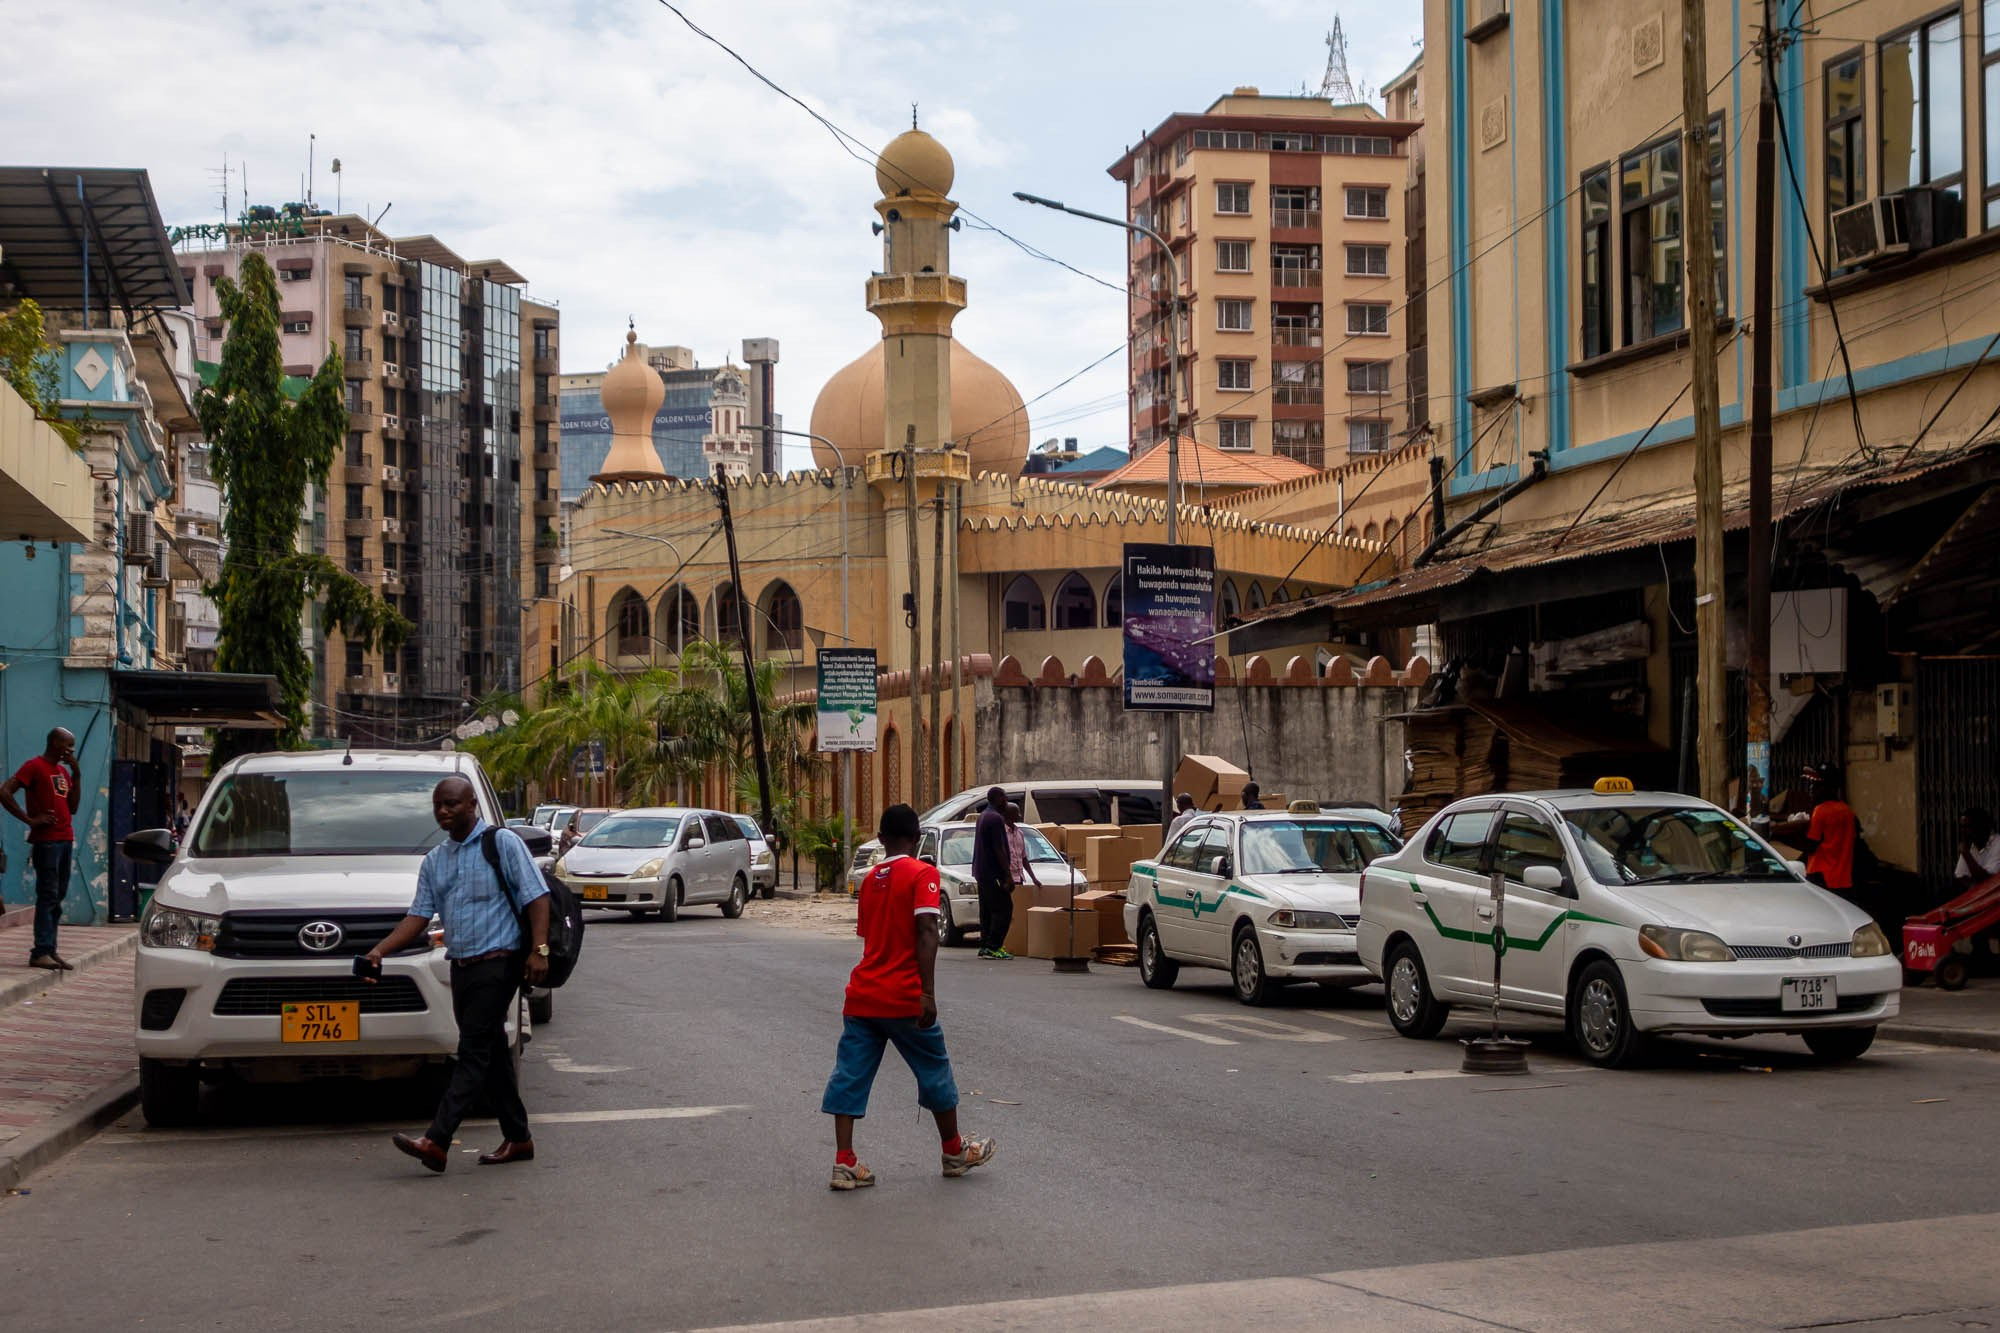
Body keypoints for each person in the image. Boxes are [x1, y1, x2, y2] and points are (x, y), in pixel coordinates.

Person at [364, 776, 550, 1173]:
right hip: (461, 968)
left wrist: (539, 950)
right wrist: (380, 950)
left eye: (451, 803)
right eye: (438, 806)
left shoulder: (502, 844)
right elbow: (418, 916)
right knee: (493, 1054)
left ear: (472, 805)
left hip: (499, 963)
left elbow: (537, 895)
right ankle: (519, 1138)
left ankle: (437, 1139)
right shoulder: (435, 861)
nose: (444, 811)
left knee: (473, 1052)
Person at [821, 803, 995, 1190]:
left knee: (850, 1074)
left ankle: (844, 1161)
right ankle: (953, 1149)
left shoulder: (868, 882)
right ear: (917, 838)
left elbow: (871, 938)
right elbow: (927, 930)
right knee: (934, 1068)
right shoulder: (923, 873)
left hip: (863, 995)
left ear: (881, 840)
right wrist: (927, 993)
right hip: (902, 996)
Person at [1, 727, 82, 970]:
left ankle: (50, 949)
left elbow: (74, 807)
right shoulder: (34, 766)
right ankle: (40, 951)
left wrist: (76, 774)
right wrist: (30, 820)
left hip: (65, 839)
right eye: (67, 745)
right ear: (55, 743)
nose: (70, 750)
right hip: (46, 841)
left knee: (57, 896)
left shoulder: (62, 772)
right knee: (48, 895)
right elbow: (5, 792)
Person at [1774, 763, 1858, 893]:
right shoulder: (1847, 811)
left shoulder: (1821, 811)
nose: (1811, 788)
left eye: (1817, 785)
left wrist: (1779, 836)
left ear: (1828, 788)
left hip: (1821, 875)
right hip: (1844, 879)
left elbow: (1811, 845)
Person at [971, 786, 1013, 960]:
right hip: (993, 873)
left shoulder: (983, 816)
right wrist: (1007, 875)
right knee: (1004, 909)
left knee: (987, 910)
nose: (1007, 801)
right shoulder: (995, 818)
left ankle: (985, 945)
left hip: (982, 872)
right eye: (1004, 797)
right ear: (997, 798)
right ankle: (994, 946)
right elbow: (998, 848)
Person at [1954, 807, 2000, 886]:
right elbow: (1960, 876)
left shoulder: (1997, 844)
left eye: (1967, 826)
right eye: (1962, 827)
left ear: (1980, 826)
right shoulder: (1971, 845)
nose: (1963, 831)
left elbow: (1988, 880)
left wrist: (1966, 854)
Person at [1003, 802, 1039, 896]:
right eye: (1016, 813)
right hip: (1008, 880)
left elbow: (1023, 858)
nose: (1019, 815)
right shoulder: (1001, 833)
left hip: (1019, 878)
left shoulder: (1020, 833)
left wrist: (1033, 878)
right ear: (1009, 815)